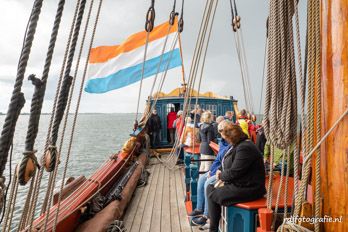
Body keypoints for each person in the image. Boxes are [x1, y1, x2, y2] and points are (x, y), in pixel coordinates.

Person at [206, 124, 266, 232]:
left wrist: (220, 175)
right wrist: (220, 169)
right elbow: (227, 160)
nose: (225, 140)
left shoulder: (245, 148)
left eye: (226, 138)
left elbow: (235, 172)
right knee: (209, 188)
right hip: (240, 183)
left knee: (212, 194)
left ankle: (213, 229)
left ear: (231, 138)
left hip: (250, 188)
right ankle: (213, 226)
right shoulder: (237, 145)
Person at [189, 120, 232, 227]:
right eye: (220, 131)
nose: (221, 133)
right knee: (202, 179)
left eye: (222, 131)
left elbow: (225, 162)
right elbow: (218, 159)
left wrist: (213, 172)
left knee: (208, 183)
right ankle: (199, 208)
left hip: (224, 171)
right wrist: (211, 171)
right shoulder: (223, 142)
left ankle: (206, 216)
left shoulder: (231, 144)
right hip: (218, 169)